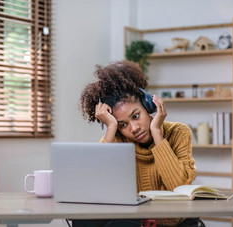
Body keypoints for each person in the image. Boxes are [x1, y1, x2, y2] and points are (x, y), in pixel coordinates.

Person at [77, 60, 201, 227]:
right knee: (83, 222)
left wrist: (157, 132)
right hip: (132, 221)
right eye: (123, 124)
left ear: (148, 106)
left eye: (136, 116)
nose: (134, 128)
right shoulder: (115, 139)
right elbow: (94, 187)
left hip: (171, 222)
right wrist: (111, 128)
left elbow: (179, 188)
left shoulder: (178, 132)